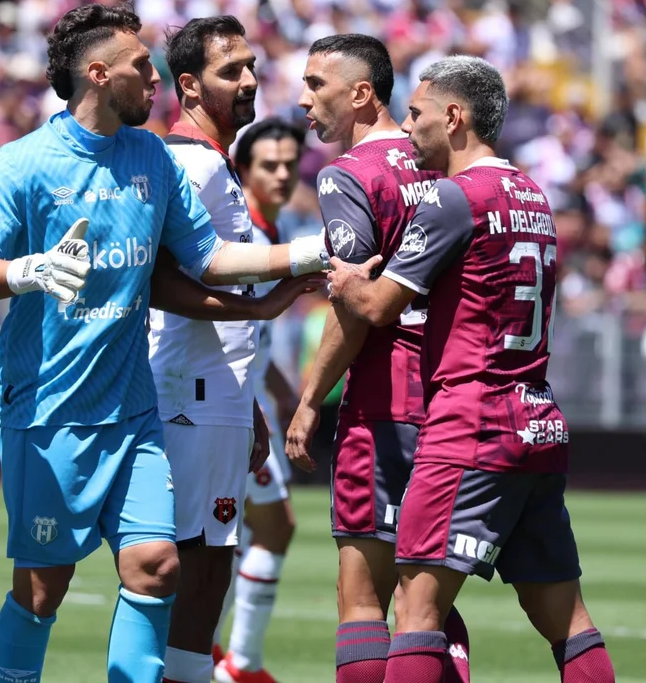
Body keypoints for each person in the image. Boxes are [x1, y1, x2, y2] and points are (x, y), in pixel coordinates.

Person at [0, 3, 327, 683]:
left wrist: (306, 253)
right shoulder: (22, 164)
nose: (156, 79)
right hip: (49, 411)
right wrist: (27, 271)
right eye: (141, 66)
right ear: (97, 74)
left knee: (158, 567)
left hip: (134, 412)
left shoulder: (150, 154)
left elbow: (207, 258)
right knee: (41, 591)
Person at [327, 56, 616, 683]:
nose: (405, 130)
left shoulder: (453, 197)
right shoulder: (533, 194)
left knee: (417, 607)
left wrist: (346, 279)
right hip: (536, 420)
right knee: (568, 620)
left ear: (453, 117)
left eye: (416, 114)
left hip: (470, 420)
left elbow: (378, 306)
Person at [285, 34, 470, 683]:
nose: (302, 100)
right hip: (455, 402)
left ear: (362, 93)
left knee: (363, 597)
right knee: (428, 602)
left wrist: (309, 401)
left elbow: (356, 304)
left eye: (315, 85)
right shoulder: (452, 168)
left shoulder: (348, 177)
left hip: (385, 404)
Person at [148, 16, 326, 683]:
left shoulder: (210, 163)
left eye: (251, 66)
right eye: (233, 71)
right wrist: (271, 293)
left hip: (213, 393)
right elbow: (162, 278)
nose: (250, 80)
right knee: (188, 566)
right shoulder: (192, 164)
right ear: (189, 85)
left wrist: (247, 398)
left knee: (208, 561)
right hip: (188, 395)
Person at [213, 119, 305, 683]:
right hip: (225, 404)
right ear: (242, 169)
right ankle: (235, 663)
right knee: (270, 528)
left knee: (240, 537)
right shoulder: (246, 234)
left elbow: (257, 336)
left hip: (245, 400)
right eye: (269, 164)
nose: (282, 173)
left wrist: (284, 391)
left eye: (290, 164)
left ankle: (216, 657)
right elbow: (230, 329)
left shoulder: (270, 229)